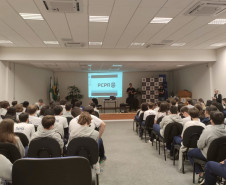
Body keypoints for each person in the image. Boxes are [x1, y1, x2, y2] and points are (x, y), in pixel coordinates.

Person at [187, 111, 226, 184]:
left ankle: (201, 173)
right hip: (224, 156)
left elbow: (199, 145)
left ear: (211, 120)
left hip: (209, 155)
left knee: (189, 153)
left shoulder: (208, 130)